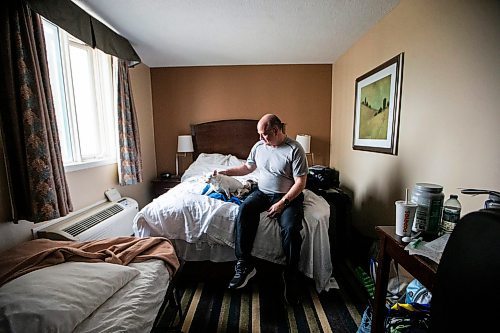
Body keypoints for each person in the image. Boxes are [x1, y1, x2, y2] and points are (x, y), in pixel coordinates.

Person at [216, 114, 308, 305]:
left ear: (276, 130)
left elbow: (301, 182)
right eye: (259, 134)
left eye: (264, 134)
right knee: (245, 209)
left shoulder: (294, 149)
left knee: (291, 229)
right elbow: (247, 167)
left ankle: (291, 276)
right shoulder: (259, 146)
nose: (260, 139)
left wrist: (282, 203)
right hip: (263, 192)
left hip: (288, 197)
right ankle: (244, 263)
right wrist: (226, 172)